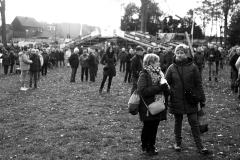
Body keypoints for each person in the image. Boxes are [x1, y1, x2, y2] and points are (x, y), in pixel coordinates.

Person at [165, 44, 211, 155]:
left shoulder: (193, 67)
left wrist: (202, 98)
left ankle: (200, 146)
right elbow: (166, 84)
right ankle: (178, 143)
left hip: (191, 99)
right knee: (178, 122)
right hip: (176, 99)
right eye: (178, 52)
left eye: (182, 52)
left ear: (186, 54)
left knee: (194, 122)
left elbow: (198, 84)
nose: (180, 54)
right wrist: (168, 95)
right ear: (175, 53)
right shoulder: (171, 68)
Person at [137, 53, 169, 156]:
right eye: (157, 61)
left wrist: (166, 88)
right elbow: (142, 91)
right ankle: (146, 146)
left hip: (158, 104)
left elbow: (164, 87)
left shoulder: (160, 73)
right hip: (147, 106)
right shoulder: (144, 74)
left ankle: (152, 145)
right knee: (148, 127)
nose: (159, 63)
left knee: (154, 126)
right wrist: (159, 88)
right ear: (151, 62)